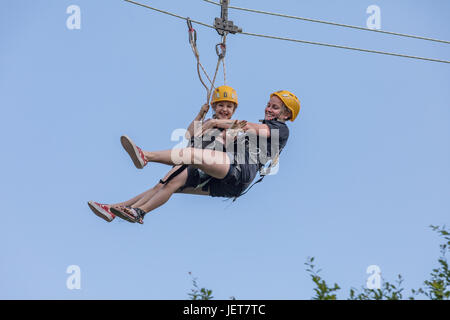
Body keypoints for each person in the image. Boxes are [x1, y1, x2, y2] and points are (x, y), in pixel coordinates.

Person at [106, 90, 300, 224]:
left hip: (239, 171)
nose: (268, 109)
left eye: (274, 108)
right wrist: (209, 124)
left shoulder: (280, 130)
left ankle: (146, 155)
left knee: (192, 157)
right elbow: (231, 134)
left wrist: (216, 121)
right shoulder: (258, 130)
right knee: (169, 184)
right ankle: (134, 211)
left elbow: (247, 126)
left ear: (285, 114)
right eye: (268, 105)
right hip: (228, 183)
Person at [88, 85, 240, 223]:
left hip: (199, 167)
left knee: (166, 186)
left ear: (233, 110)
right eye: (220, 105)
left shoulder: (234, 126)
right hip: (189, 164)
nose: (224, 109)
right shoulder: (209, 122)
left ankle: (138, 210)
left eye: (229, 106)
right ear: (214, 106)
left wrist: (212, 123)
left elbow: (234, 128)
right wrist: (200, 115)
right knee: (158, 187)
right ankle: (114, 209)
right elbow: (189, 135)